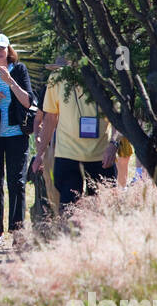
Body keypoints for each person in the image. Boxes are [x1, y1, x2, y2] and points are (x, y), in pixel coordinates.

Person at [30, 72, 118, 210]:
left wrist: (114, 144)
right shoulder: (56, 77)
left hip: (101, 155)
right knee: (68, 209)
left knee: (103, 210)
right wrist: (40, 154)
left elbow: (118, 116)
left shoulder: (105, 73)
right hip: (67, 154)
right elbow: (50, 118)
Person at [0, 34, 34, 248]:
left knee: (17, 183)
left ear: (8, 49)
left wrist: (10, 82)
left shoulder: (19, 70)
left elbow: (29, 101)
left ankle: (18, 230)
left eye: (1, 48)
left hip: (17, 135)